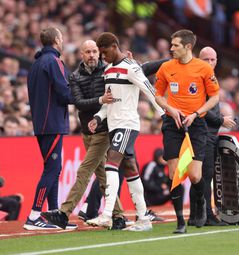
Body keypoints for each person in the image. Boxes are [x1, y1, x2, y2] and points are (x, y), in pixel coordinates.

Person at [41, 40, 167, 230]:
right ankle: (125, 217)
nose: (94, 55)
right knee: (113, 174)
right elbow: (83, 102)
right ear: (81, 55)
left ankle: (72, 214)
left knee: (95, 168)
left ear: (107, 50)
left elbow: (144, 77)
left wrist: (165, 112)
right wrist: (98, 117)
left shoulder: (116, 67)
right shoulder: (82, 75)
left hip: (115, 129)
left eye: (97, 52)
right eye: (89, 52)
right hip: (93, 129)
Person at [86, 32, 164, 231]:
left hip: (127, 124)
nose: (103, 57)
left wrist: (165, 113)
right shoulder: (108, 71)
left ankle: (106, 215)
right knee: (130, 169)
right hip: (113, 124)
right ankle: (144, 219)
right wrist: (98, 117)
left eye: (104, 52)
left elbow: (150, 91)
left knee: (111, 163)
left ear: (114, 46)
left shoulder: (132, 68)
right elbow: (108, 101)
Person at [154, 29, 220, 234]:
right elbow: (157, 95)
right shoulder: (166, 68)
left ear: (188, 47)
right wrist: (170, 109)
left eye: (175, 45)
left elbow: (214, 97)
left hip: (196, 124)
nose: (171, 48)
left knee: (194, 175)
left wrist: (196, 113)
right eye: (171, 45)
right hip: (173, 123)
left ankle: (200, 202)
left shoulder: (203, 69)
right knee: (174, 174)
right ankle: (180, 222)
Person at [23, 27, 75, 230]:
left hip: (41, 123)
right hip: (52, 123)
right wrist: (88, 98)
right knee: (52, 169)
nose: (62, 41)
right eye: (61, 37)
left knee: (55, 168)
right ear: (56, 40)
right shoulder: (54, 62)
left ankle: (53, 213)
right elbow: (65, 93)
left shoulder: (36, 63)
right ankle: (34, 214)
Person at [188, 46, 236, 227]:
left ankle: (195, 215)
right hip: (204, 134)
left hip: (204, 133)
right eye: (205, 59)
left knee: (198, 177)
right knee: (205, 176)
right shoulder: (200, 79)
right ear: (199, 60)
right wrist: (221, 119)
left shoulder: (207, 78)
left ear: (216, 61)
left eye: (212, 60)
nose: (209, 63)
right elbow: (201, 109)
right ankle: (207, 215)